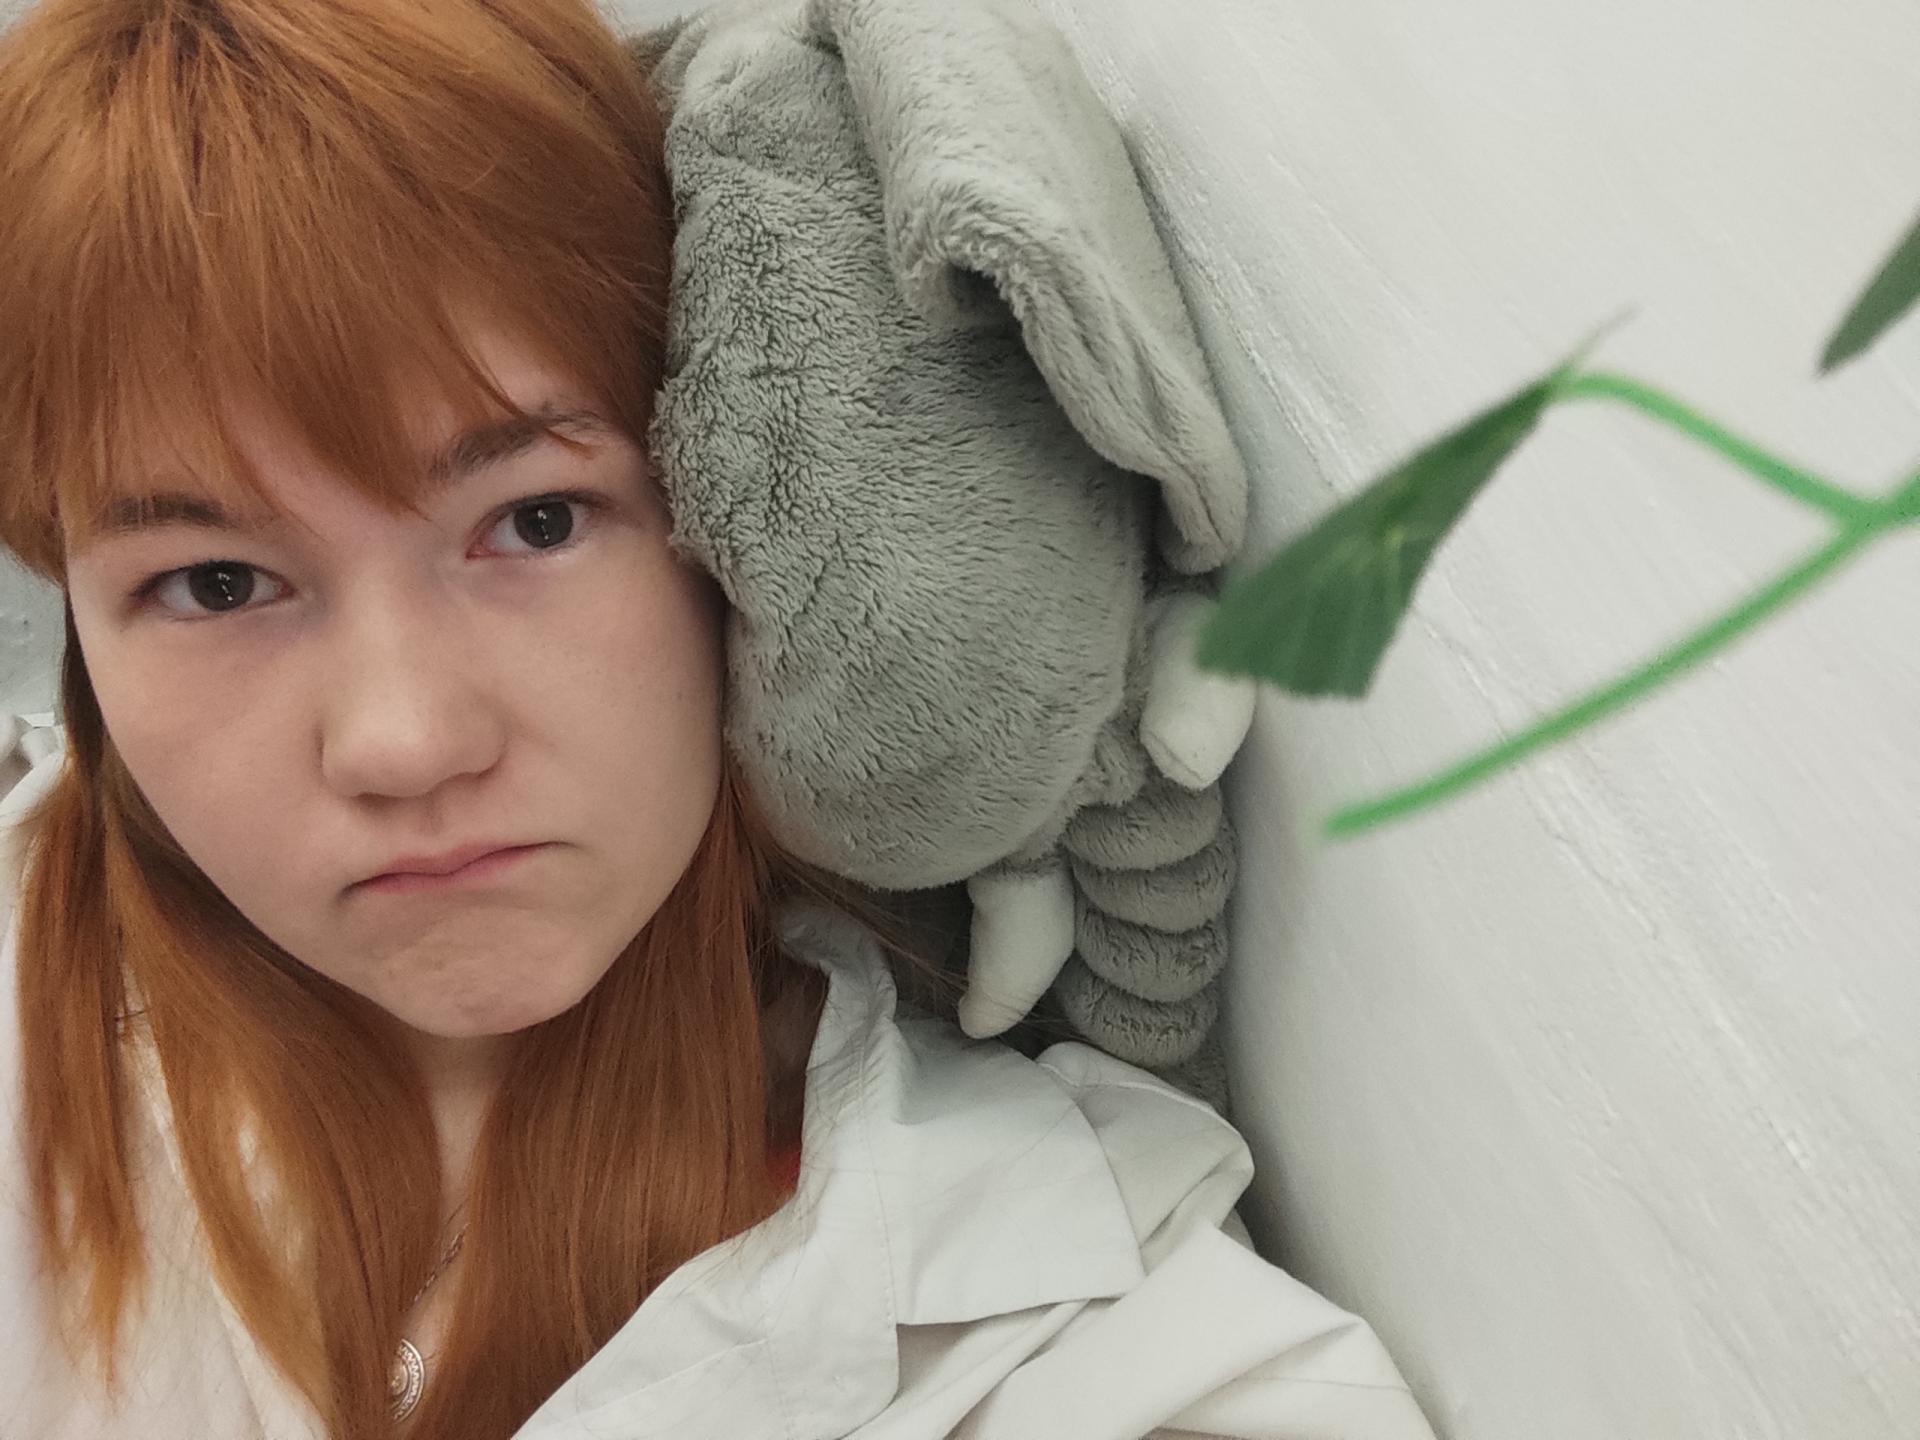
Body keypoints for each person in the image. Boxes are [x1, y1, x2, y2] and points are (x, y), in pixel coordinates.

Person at [0, 2, 1441, 1438]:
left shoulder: (1063, 1309)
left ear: (730, 513)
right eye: (215, 581)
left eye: (538, 519)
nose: (405, 742)